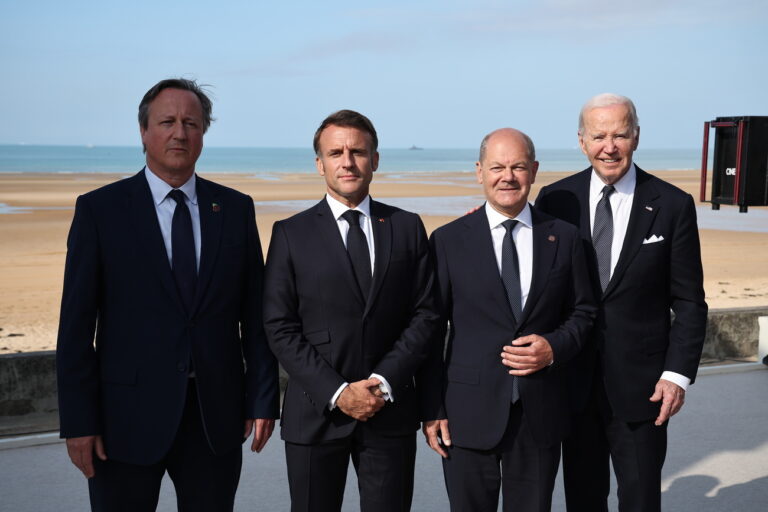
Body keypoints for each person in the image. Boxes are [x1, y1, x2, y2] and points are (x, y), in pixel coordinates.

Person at [56, 78, 280, 511]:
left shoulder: (235, 209)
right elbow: (76, 328)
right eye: (168, 121)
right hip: (123, 421)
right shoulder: (100, 211)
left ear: (203, 134)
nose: (180, 132)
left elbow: (255, 318)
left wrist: (263, 399)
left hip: (214, 418)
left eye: (192, 123)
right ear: (144, 132)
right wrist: (78, 422)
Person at [535, 93, 708, 512]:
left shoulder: (672, 204)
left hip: (644, 387)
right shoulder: (555, 200)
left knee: (640, 497)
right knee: (582, 498)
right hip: (572, 382)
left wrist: (677, 376)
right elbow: (536, 276)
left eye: (619, 135)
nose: (608, 146)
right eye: (598, 136)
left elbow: (689, 302)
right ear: (581, 141)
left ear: (636, 137)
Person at [263, 110, 439, 512]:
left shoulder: (407, 227)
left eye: (358, 151)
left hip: (388, 410)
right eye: (336, 152)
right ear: (319, 163)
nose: (347, 161)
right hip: (314, 414)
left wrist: (382, 381)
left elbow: (425, 315)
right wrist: (338, 393)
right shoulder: (290, 233)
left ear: (374, 160)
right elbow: (279, 326)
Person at [421, 128, 597, 511]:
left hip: (540, 413)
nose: (508, 176)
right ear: (479, 171)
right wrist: (432, 407)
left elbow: (584, 312)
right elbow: (431, 330)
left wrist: (554, 347)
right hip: (465, 413)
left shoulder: (565, 238)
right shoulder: (448, 240)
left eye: (518, 166)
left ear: (534, 171)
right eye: (498, 166)